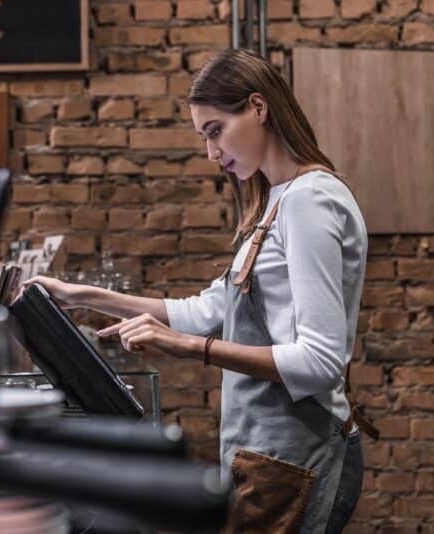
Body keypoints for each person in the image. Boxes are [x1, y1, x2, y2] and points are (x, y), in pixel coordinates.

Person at [20, 49, 376, 533]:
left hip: (302, 454)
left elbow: (319, 362)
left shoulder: (309, 201)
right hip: (274, 454)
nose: (212, 153)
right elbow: (207, 309)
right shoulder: (277, 201)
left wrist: (189, 348)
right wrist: (81, 295)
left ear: (258, 107)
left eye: (215, 131)